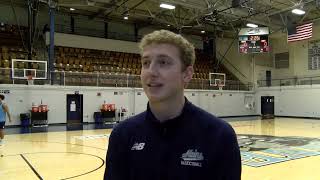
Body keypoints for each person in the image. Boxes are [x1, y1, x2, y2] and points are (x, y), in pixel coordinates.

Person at [104, 30, 241, 180]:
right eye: (146, 63)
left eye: (163, 62)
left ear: (187, 74)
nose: (151, 71)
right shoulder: (122, 135)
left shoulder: (219, 136)